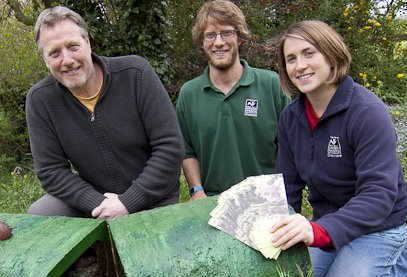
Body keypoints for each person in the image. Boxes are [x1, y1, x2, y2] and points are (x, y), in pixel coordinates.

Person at [270, 20, 407, 277]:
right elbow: (287, 186)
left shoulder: (367, 112)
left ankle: (406, 255)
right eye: (291, 59)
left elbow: (379, 196)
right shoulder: (291, 117)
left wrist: (317, 233)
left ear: (331, 55)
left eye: (308, 53)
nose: (300, 66)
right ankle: (347, 259)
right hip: (329, 224)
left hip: (380, 225)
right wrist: (279, 235)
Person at [25, 6, 184, 219]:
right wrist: (101, 205)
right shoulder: (40, 100)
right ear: (45, 59)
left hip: (154, 197)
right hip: (95, 202)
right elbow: (51, 171)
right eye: (54, 53)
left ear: (88, 43)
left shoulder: (135, 74)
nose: (67, 60)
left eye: (73, 46)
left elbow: (170, 147)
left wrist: (128, 202)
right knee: (41, 213)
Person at [176, 0, 290, 200]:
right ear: (201, 42)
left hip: (266, 201)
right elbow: (186, 151)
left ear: (239, 37)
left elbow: (291, 145)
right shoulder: (189, 94)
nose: (218, 42)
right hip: (211, 204)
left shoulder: (271, 85)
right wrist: (196, 190)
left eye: (226, 32)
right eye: (210, 35)